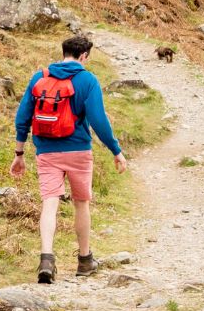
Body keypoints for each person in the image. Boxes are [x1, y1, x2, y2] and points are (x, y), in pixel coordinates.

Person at [10, 35, 127, 284]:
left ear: (64, 52)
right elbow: (98, 120)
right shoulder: (87, 79)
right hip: (78, 152)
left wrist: (19, 154)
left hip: (46, 152)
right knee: (81, 203)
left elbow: (22, 117)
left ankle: (46, 260)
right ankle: (85, 261)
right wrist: (116, 150)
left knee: (49, 203)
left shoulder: (40, 77)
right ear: (84, 56)